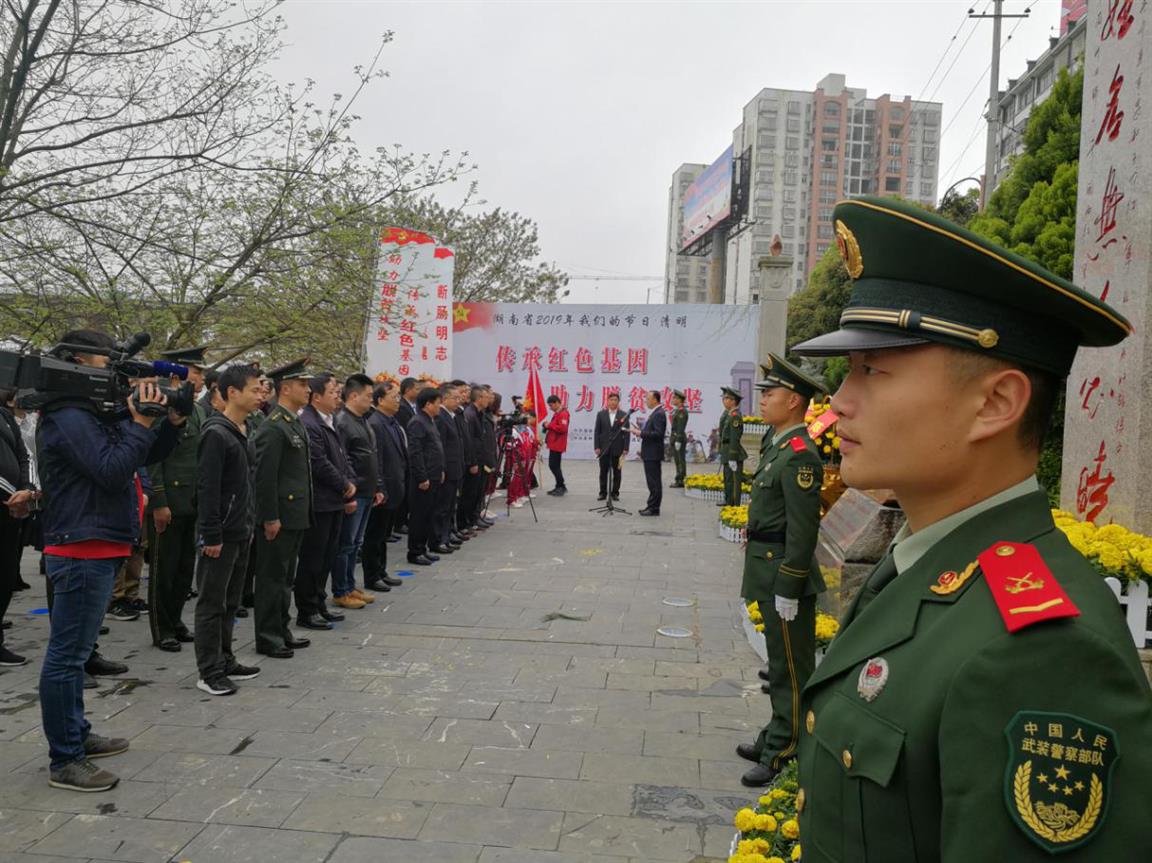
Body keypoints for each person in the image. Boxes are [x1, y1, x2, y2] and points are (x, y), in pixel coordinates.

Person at [787, 196, 1152, 860]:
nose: (839, 400)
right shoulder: (924, 565)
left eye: (872, 368)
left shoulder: (1041, 653)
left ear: (995, 402)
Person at [37, 329, 185, 791]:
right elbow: (110, 469)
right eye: (105, 363)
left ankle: (76, 734)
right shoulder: (66, 414)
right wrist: (140, 423)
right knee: (68, 657)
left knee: (76, 653)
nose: (113, 373)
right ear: (77, 362)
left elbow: (142, 453)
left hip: (100, 542)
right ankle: (66, 759)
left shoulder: (91, 412)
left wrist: (169, 421)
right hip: (82, 545)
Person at [733, 353, 826, 786]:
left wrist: (790, 584)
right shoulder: (778, 445)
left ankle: (784, 749)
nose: (763, 399)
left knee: (790, 667)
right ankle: (776, 730)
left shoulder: (801, 455)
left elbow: (804, 530)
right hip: (766, 570)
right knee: (778, 662)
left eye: (770, 394)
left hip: (782, 575)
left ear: (793, 401)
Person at [192, 364, 262, 696]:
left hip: (240, 528)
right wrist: (211, 535)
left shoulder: (242, 429)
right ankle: (209, 671)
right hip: (220, 533)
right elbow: (207, 489)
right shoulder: (215, 433)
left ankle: (226, 657)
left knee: (231, 601)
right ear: (232, 392)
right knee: (211, 602)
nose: (260, 395)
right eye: (254, 390)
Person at [251, 358, 314, 658]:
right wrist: (269, 516)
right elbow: (264, 477)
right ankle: (267, 636)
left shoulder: (293, 421)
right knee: (271, 578)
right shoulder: (273, 427)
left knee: (285, 578)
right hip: (280, 515)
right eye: (302, 384)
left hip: (295, 514)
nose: (308, 389)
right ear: (285, 388)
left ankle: (281, 629)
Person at [146, 347, 207, 652]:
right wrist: (159, 502)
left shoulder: (195, 409)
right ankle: (162, 628)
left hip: (191, 501)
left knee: (184, 570)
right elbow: (153, 459)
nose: (201, 378)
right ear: (177, 374)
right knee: (163, 571)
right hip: (168, 502)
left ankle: (177, 620)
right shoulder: (161, 406)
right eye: (196, 372)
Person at [296, 372, 357, 628]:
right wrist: (345, 485)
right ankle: (306, 609)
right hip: (320, 502)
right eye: (333, 392)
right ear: (316, 396)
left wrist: (350, 483)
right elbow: (318, 462)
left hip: (334, 500)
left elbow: (341, 458)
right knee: (313, 558)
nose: (337, 397)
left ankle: (320, 603)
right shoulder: (310, 423)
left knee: (327, 556)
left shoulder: (329, 420)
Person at [332, 373, 382, 608]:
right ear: (353, 395)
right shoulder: (342, 421)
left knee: (356, 542)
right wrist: (349, 492)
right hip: (354, 491)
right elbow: (343, 461)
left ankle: (351, 586)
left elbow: (371, 455)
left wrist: (377, 486)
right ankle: (341, 590)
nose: (371, 401)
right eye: (368, 396)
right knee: (346, 543)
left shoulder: (363, 419)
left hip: (367, 491)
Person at [0, 388, 35, 666]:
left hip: (11, 511)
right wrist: (12, 494)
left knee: (7, 574)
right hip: (8, 503)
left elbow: (24, 456)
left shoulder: (6, 418)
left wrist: (26, 489)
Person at [363, 381, 406, 592]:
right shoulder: (376, 423)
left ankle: (381, 570)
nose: (398, 401)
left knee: (383, 534)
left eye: (399, 397)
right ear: (380, 400)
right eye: (394, 397)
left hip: (394, 486)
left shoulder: (391, 422)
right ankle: (372, 575)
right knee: (375, 534)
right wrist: (379, 487)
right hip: (383, 489)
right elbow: (376, 460)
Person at [406, 387, 445, 565]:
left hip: (434, 475)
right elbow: (416, 452)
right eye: (438, 403)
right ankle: (415, 551)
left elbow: (435, 448)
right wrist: (422, 477)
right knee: (419, 516)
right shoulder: (417, 422)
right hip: (424, 478)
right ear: (428, 404)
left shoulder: (430, 420)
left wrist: (440, 470)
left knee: (428, 514)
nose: (440, 406)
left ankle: (422, 548)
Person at [431, 383, 463, 554]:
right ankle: (438, 540)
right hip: (447, 470)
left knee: (450, 506)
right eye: (455, 398)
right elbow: (440, 446)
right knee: (441, 508)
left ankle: (446, 535)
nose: (459, 401)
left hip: (455, 469)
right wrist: (442, 468)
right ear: (444, 398)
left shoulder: (451, 416)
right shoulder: (441, 417)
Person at [460, 384, 491, 526]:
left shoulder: (480, 414)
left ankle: (475, 517)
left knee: (478, 492)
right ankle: (466, 521)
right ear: (479, 398)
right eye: (486, 397)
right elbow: (469, 441)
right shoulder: (470, 415)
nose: (489, 400)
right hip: (474, 461)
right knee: (470, 493)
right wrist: (472, 462)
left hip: (481, 459)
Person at [633, 390, 667, 516]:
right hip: (650, 452)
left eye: (648, 398)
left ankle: (654, 508)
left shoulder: (659, 414)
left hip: (653, 453)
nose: (646, 401)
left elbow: (658, 434)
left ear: (655, 400)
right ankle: (652, 506)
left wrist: (640, 433)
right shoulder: (655, 413)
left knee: (654, 481)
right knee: (652, 481)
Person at [593, 392, 630, 501]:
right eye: (611, 400)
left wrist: (626, 448)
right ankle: (602, 493)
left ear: (618, 402)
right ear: (607, 401)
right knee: (603, 472)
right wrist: (597, 447)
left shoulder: (623, 415)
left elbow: (626, 433)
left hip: (618, 448)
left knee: (617, 472)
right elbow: (597, 432)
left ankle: (615, 493)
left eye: (615, 400)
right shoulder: (601, 414)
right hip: (604, 448)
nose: (613, 402)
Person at [718, 387, 747, 506]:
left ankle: (734, 503)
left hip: (732, 452)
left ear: (733, 401)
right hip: (727, 450)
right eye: (724, 398)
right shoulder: (729, 414)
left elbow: (735, 438)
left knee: (734, 481)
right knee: (728, 478)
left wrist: (733, 456)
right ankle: (728, 499)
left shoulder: (735, 416)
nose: (723, 401)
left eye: (726, 398)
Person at [542, 394, 569, 496]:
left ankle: (561, 486)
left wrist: (549, 425)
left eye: (551, 405)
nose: (550, 408)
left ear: (557, 403)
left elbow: (563, 428)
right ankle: (559, 486)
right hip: (554, 443)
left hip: (558, 444)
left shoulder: (563, 414)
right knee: (555, 465)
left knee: (553, 465)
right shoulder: (558, 413)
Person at [668, 390, 688, 488]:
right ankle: (679, 478)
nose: (672, 399)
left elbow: (680, 427)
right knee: (677, 459)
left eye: (674, 398)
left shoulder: (682, 411)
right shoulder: (678, 410)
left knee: (680, 460)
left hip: (678, 438)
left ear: (679, 400)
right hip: (675, 437)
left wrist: (678, 440)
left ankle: (680, 480)